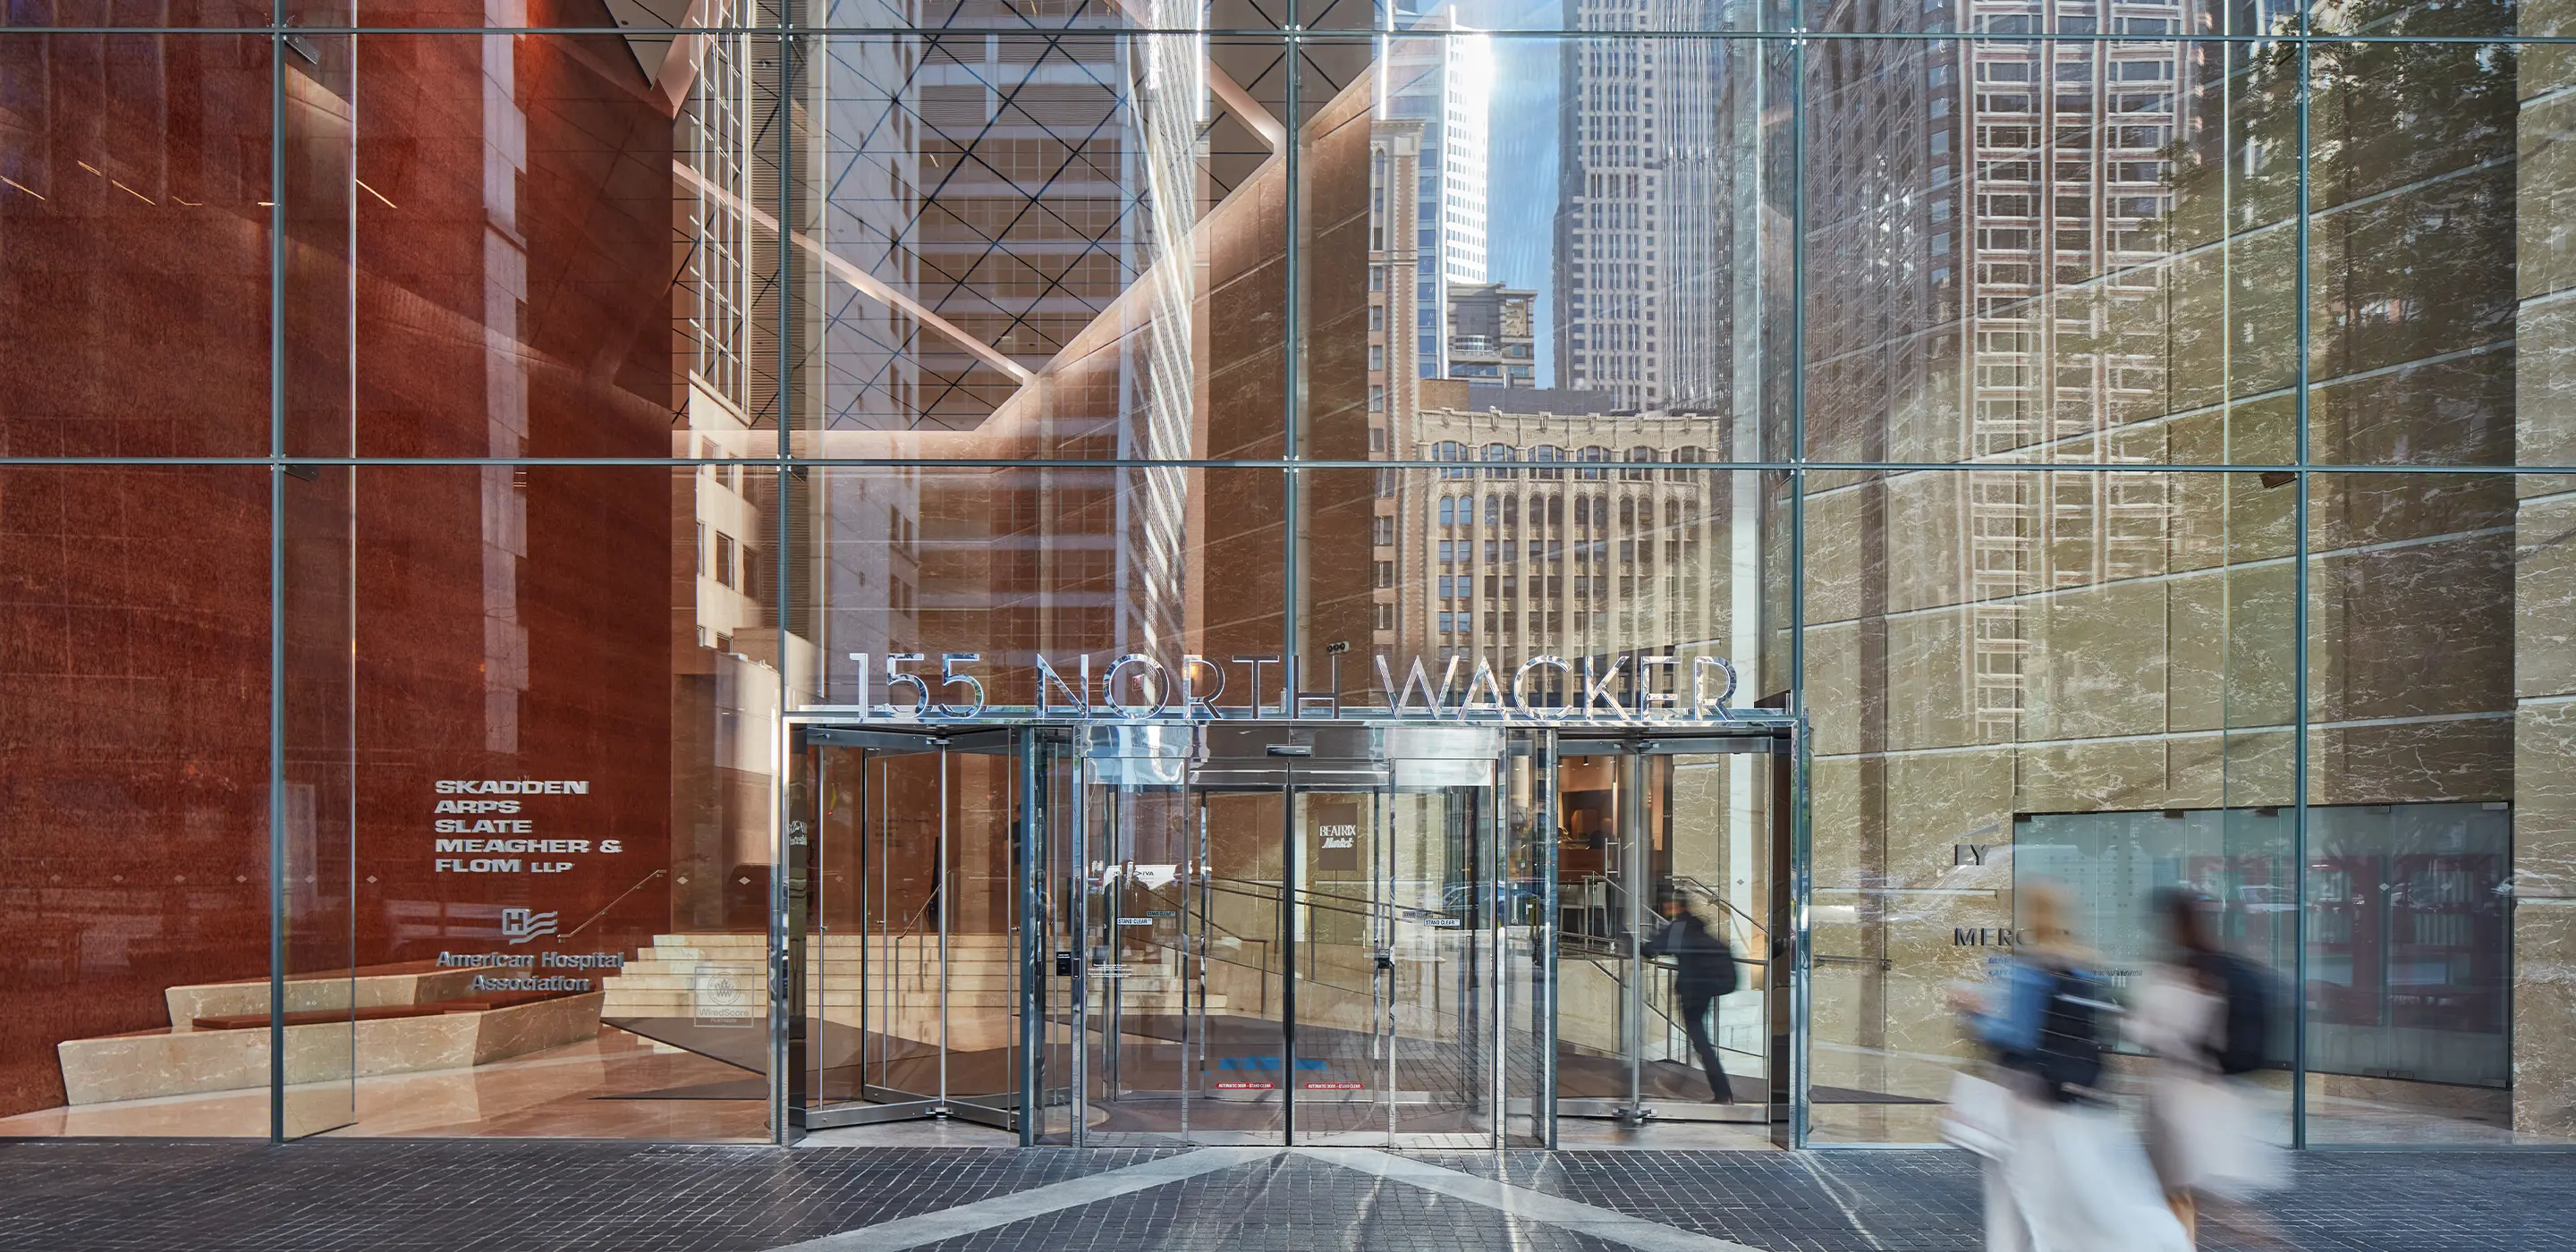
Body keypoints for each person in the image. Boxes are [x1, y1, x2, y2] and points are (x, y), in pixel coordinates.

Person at [1955, 883, 2189, 1252]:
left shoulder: (2028, 969)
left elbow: (2014, 1036)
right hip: (2075, 1098)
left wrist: (1974, 1011)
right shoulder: (2086, 968)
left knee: (2016, 1200)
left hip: (2027, 1102)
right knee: (2075, 1198)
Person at [2131, 888, 2285, 1245]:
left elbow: (2145, 1029)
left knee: (2184, 1192)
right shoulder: (2219, 967)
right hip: (2220, 1096)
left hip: (2180, 1098)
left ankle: (2262, 1240)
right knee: (2200, 1194)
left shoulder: (2174, 972)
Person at [1642, 891, 1737, 1103]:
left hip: (1692, 992)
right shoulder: (1696, 926)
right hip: (1703, 990)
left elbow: (1651, 949)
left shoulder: (1678, 927)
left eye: (1668, 905)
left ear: (1674, 906)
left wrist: (1646, 941)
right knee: (1699, 1041)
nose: (1667, 908)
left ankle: (1722, 1092)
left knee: (1701, 1042)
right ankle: (1717, 1089)